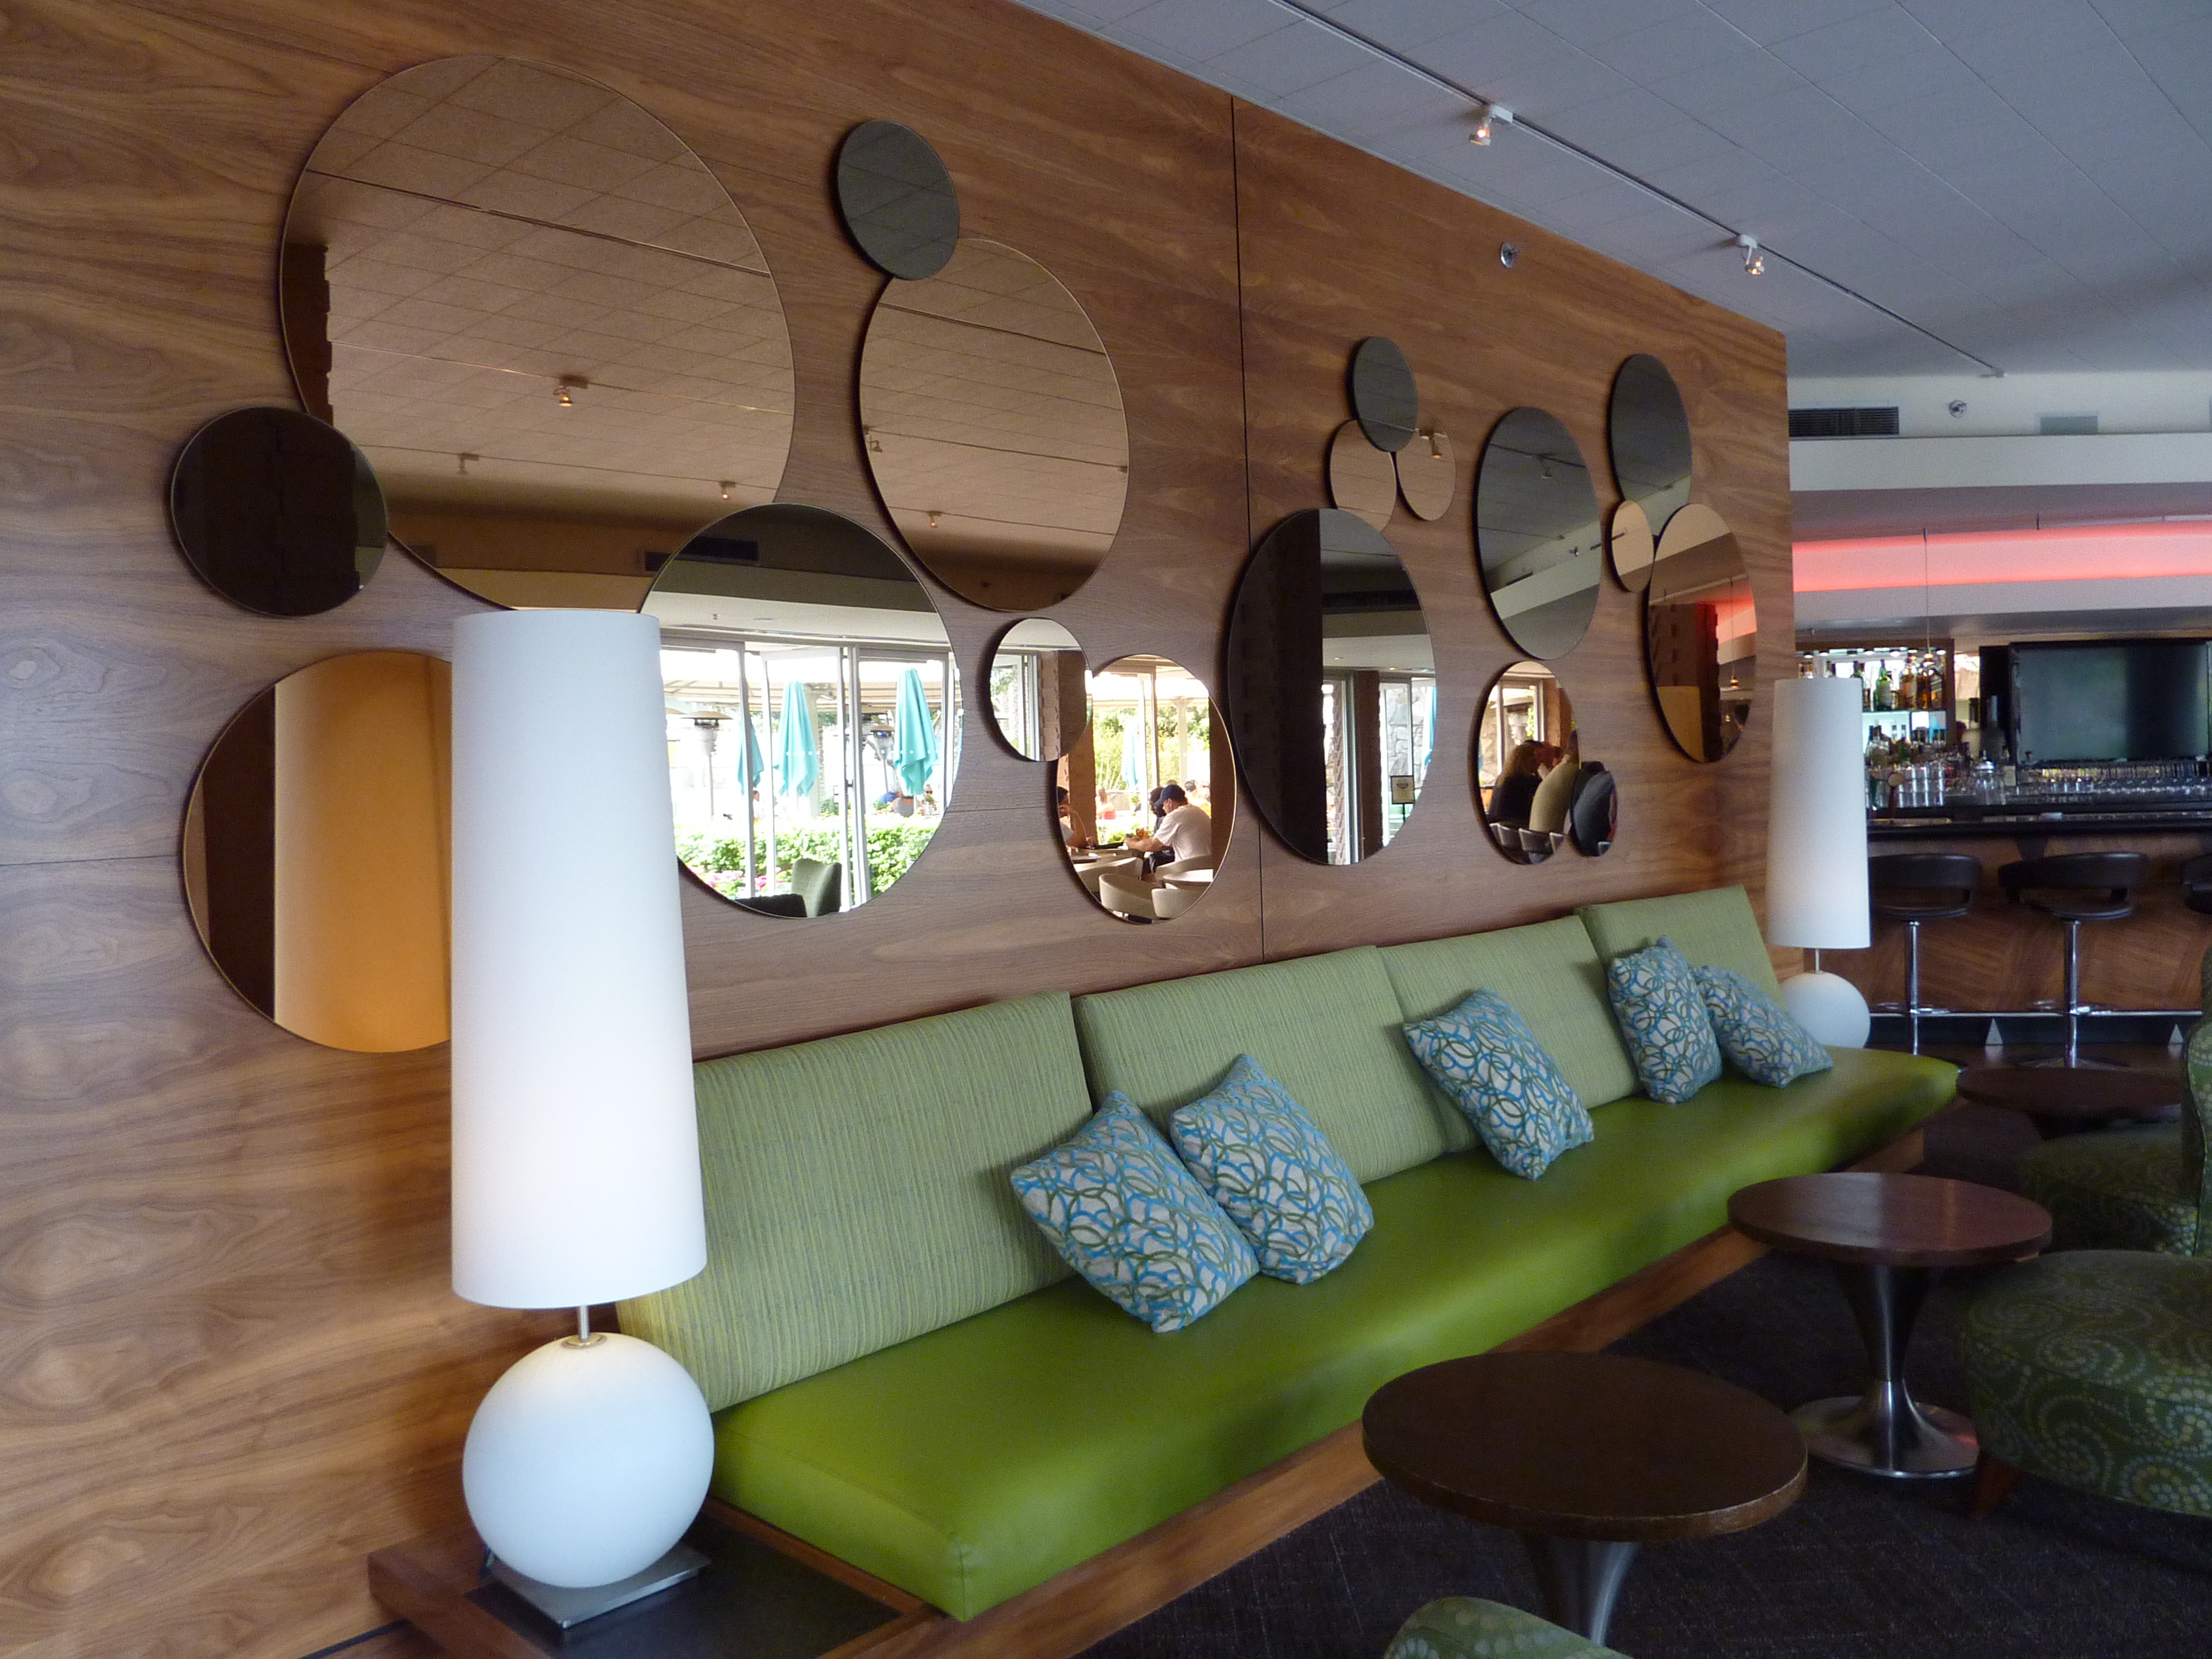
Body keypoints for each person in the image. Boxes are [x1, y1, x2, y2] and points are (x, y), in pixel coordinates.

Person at [1125, 782, 1210, 868]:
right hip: (1209, 868)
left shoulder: (1175, 816)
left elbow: (1152, 845)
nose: (1163, 808)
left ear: (1170, 802)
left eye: (1163, 804)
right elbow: (1165, 844)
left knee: (1149, 874)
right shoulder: (1198, 811)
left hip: (1190, 870)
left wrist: (1131, 843)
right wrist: (1141, 841)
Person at [1486, 740, 1545, 828]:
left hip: (1501, 830)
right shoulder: (1526, 781)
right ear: (1529, 761)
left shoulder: (1502, 778)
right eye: (1537, 758)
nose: (1540, 762)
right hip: (1518, 828)